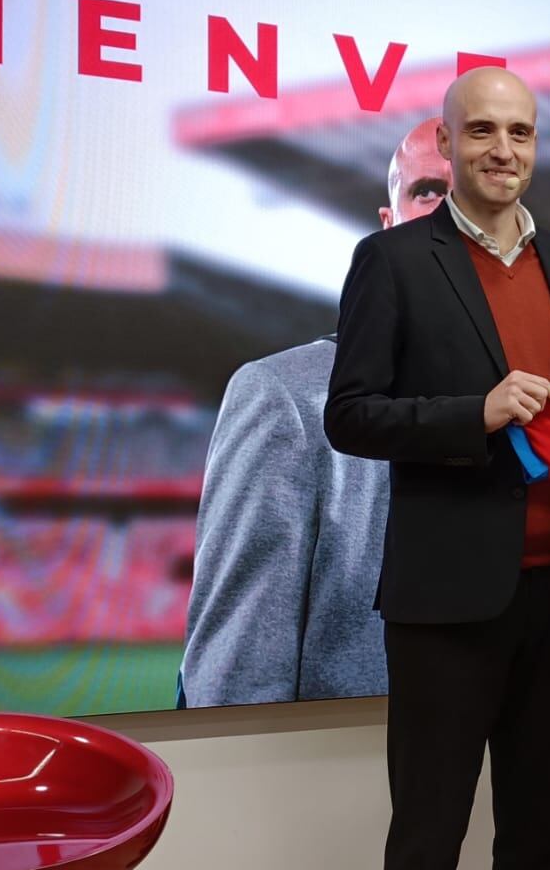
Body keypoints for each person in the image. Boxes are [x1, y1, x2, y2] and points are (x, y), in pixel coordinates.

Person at [325, 66, 550, 870]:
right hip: (447, 600)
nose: (503, 150)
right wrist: (472, 413)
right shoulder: (394, 261)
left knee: (539, 835)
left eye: (520, 132)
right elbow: (352, 415)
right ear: (446, 144)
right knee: (428, 842)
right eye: (482, 132)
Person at [179, 118, 451, 707]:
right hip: (333, 781)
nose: (450, 216)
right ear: (389, 226)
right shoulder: (283, 397)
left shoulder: (543, 405)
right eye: (427, 191)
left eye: (474, 197)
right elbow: (235, 684)